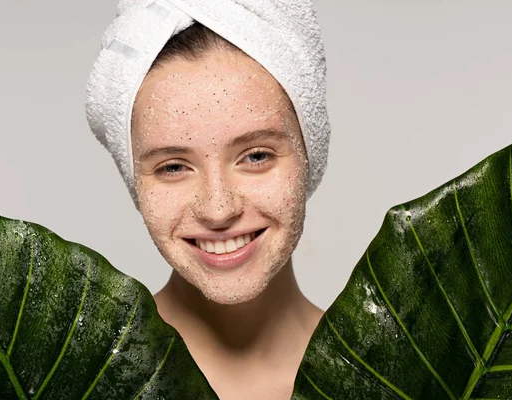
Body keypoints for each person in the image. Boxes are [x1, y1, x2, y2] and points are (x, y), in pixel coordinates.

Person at [86, 1, 330, 398]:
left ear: (308, 154)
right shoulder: (78, 382)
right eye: (173, 167)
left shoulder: (409, 378)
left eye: (256, 156)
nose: (218, 210)